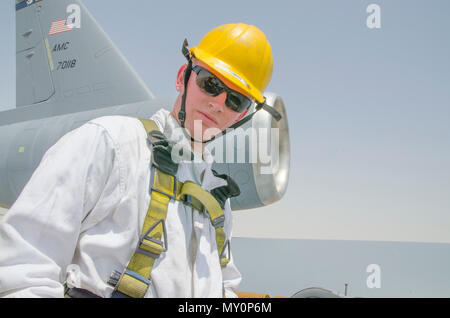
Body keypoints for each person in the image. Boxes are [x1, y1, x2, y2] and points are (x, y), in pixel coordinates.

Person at [0, 23, 275, 298]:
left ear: (240, 117)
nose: (219, 103)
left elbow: (224, 286)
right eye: (211, 84)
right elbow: (23, 272)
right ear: (183, 78)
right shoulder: (109, 144)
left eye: (236, 101)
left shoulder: (216, 199)